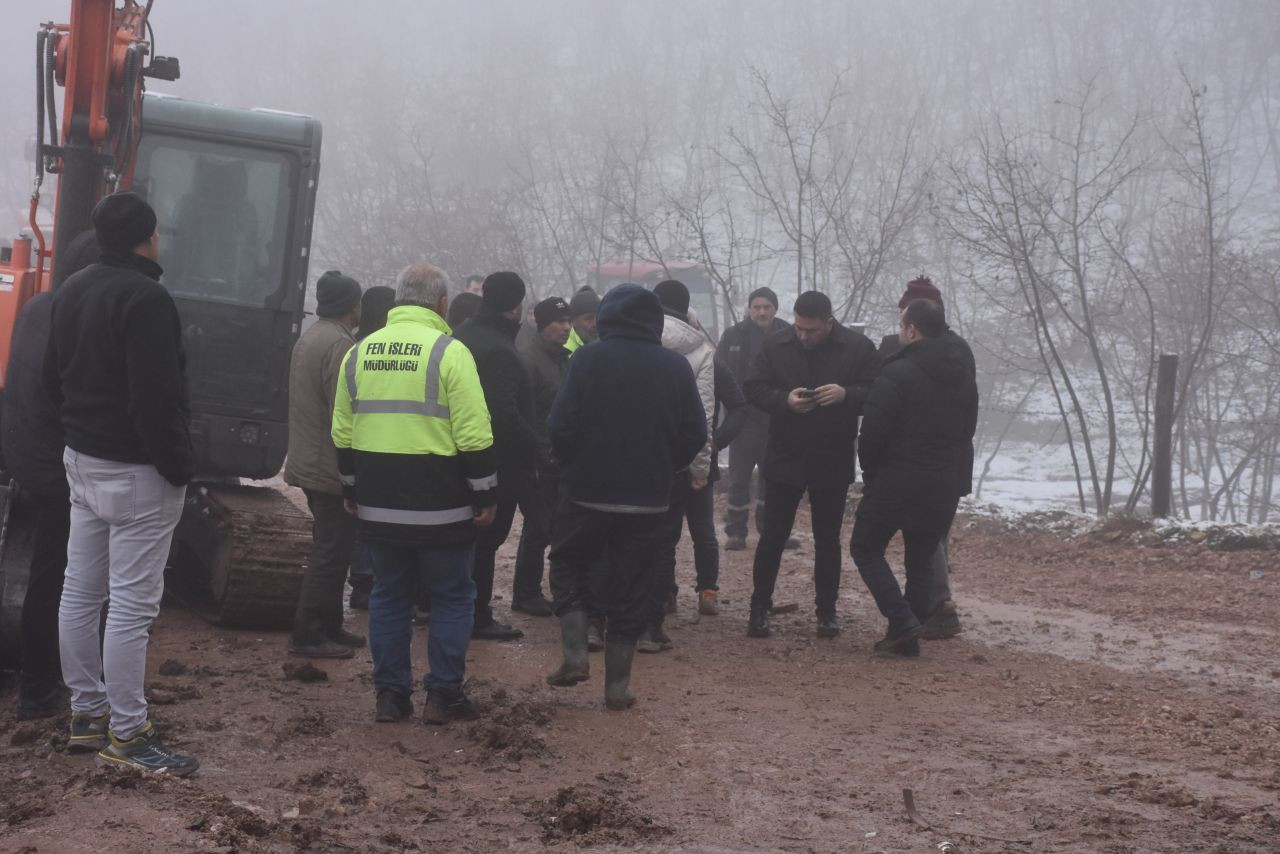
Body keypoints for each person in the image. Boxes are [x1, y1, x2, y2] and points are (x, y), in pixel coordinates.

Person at [44, 191, 198, 775]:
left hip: (81, 460)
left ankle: (88, 715)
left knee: (79, 594)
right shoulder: (147, 297)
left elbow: (49, 379)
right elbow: (156, 398)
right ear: (150, 237)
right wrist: (178, 466)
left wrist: (78, 431)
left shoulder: (74, 287)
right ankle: (130, 735)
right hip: (139, 471)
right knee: (132, 608)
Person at [332, 262, 498, 725]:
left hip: (378, 500)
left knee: (389, 596)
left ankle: (390, 695)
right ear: (442, 303)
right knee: (450, 596)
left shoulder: (359, 352)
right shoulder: (451, 352)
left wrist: (350, 486)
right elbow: (473, 433)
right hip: (442, 504)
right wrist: (485, 493)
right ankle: (443, 695)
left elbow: (342, 430)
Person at [544, 284, 705, 711]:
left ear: (608, 318)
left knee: (568, 564)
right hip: (648, 497)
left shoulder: (587, 359)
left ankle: (576, 655)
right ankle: (618, 687)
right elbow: (695, 434)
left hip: (585, 492)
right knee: (633, 584)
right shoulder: (675, 367)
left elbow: (560, 425)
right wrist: (663, 467)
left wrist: (570, 464)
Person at [743, 291, 878, 639]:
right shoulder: (777, 344)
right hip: (785, 453)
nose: (804, 336)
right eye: (799, 328)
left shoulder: (858, 348)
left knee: (828, 540)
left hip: (831, 455)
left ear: (828, 323)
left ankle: (827, 612)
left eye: (812, 330)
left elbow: (878, 390)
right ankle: (759, 608)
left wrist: (847, 395)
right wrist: (783, 400)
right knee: (773, 536)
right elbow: (753, 387)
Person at [2, 231, 98, 719]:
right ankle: (41, 689)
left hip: (23, 451)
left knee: (54, 572)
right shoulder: (76, 323)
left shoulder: (39, 307)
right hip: (55, 469)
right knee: (58, 577)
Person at [851, 299, 978, 655]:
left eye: (901, 323)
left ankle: (901, 617)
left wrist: (872, 474)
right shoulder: (963, 377)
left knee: (865, 547)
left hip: (896, 479)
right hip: (942, 482)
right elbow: (966, 432)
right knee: (921, 558)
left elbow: (873, 433)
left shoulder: (896, 373)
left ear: (911, 330)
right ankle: (906, 639)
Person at [453, 272, 539, 641]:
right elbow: (503, 412)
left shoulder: (460, 337)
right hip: (496, 462)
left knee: (461, 540)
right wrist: (536, 443)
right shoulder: (501, 349)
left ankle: (452, 607)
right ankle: (476, 615)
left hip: (453, 455)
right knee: (485, 542)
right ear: (516, 306)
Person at [284, 271, 365, 658]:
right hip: (328, 465)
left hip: (309, 457)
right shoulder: (340, 345)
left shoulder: (313, 335)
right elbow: (343, 411)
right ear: (352, 305)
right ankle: (309, 632)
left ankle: (330, 625)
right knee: (331, 551)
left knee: (333, 547)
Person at [638, 280, 715, 654]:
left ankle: (612, 616)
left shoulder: (631, 338)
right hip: (671, 464)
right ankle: (653, 623)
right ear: (688, 310)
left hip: (625, 456)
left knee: (622, 538)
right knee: (663, 541)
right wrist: (697, 468)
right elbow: (702, 416)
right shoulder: (701, 349)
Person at [718, 287, 795, 551]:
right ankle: (736, 532)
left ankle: (773, 531)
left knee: (773, 478)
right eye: (756, 307)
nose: (761, 312)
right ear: (749, 309)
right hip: (743, 419)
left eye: (767, 307)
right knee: (739, 478)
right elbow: (719, 374)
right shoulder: (733, 336)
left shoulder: (789, 334)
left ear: (775, 309)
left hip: (778, 418)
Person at [512, 296, 573, 617]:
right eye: (558, 322)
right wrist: (539, 453)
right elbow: (528, 413)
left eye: (568, 321)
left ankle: (535, 590)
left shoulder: (562, 358)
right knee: (538, 527)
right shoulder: (529, 360)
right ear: (541, 323)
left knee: (551, 526)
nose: (565, 328)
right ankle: (526, 593)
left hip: (557, 455)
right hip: (539, 458)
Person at [348, 285, 398, 610]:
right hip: (378, 444)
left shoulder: (356, 346)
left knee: (361, 518)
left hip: (359, 445)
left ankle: (362, 581)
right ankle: (368, 580)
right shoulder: (379, 349)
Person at [565, 286, 600, 354]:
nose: (595, 324)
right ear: (573, 322)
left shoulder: (609, 345)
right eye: (589, 318)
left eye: (599, 316)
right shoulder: (563, 351)